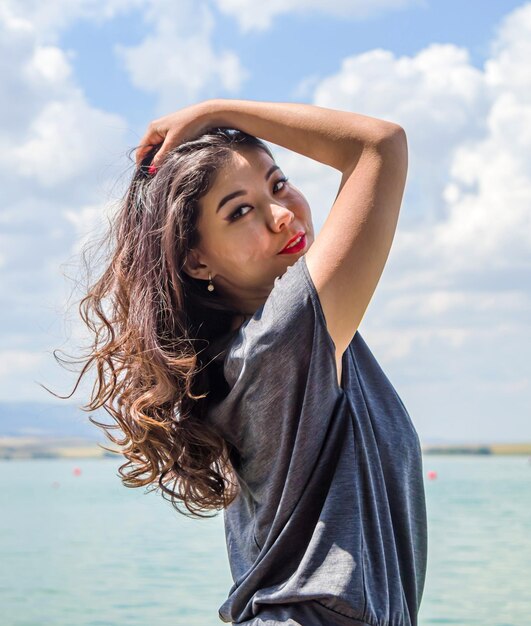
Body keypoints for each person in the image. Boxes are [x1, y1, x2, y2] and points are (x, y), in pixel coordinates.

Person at [64, 99, 427, 626]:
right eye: (240, 211)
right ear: (197, 259)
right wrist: (216, 110)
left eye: (278, 185)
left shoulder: (271, 346)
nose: (282, 215)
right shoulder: (284, 337)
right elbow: (379, 145)